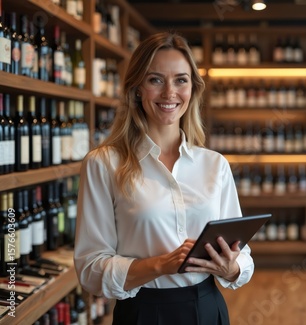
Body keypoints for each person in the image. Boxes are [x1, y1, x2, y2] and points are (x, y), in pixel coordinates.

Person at [73, 32, 254, 325]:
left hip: (208, 307)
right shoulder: (103, 164)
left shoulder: (215, 164)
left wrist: (231, 268)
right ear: (137, 89)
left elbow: (243, 256)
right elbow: (91, 270)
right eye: (155, 79)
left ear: (192, 90)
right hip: (143, 312)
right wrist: (159, 265)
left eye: (181, 80)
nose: (170, 93)